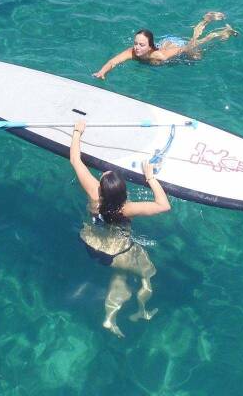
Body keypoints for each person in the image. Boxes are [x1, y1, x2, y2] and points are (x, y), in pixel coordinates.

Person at [69, 119, 170, 337]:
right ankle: (142, 310)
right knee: (147, 274)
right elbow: (164, 205)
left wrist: (77, 131)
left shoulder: (94, 193)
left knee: (120, 278)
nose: (105, 172)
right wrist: (150, 177)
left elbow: (75, 159)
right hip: (118, 252)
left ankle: (109, 319)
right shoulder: (127, 208)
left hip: (90, 243)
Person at [93, 12, 237, 80]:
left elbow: (185, 47)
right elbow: (113, 61)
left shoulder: (160, 56)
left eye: (141, 45)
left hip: (177, 46)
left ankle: (211, 26)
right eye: (135, 43)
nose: (137, 47)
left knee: (196, 54)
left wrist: (194, 46)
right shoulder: (132, 52)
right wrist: (102, 72)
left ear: (150, 46)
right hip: (165, 44)